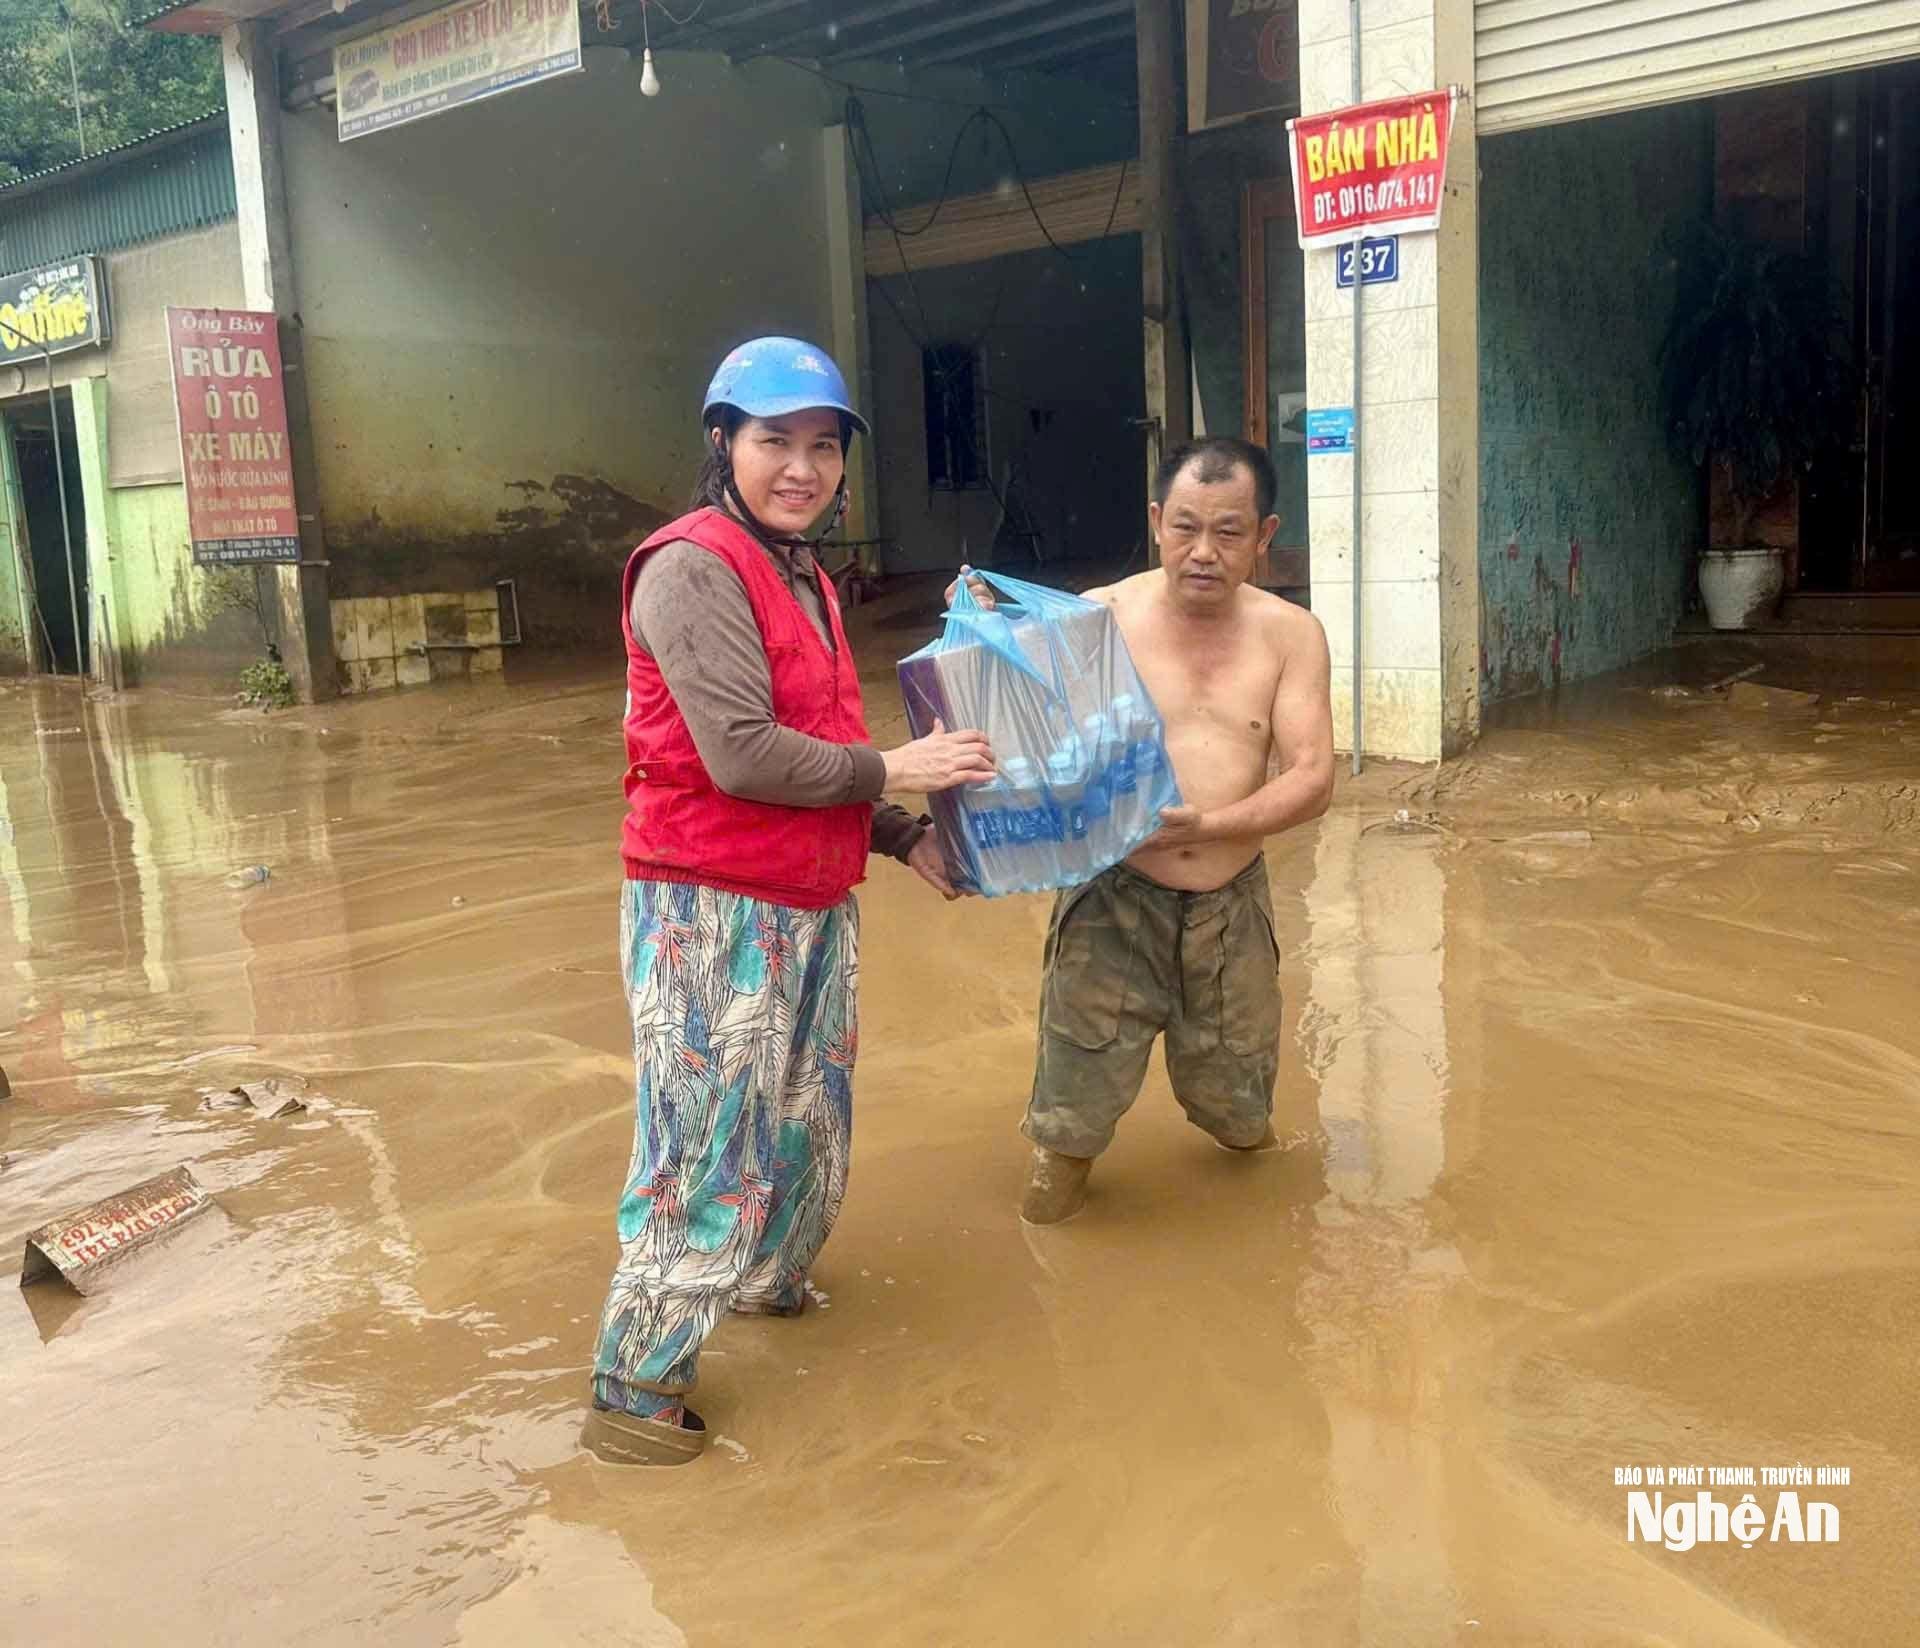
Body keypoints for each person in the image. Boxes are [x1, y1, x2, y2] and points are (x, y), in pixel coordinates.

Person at [587, 337, 994, 1466]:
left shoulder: (803, 572)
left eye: (823, 447)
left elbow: (818, 748)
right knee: (706, 1143)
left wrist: (904, 836)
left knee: (809, 1123)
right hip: (709, 905)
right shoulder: (690, 567)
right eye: (776, 442)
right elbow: (744, 756)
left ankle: (765, 1288)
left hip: (812, 901)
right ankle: (636, 1385)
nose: (801, 468)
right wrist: (901, 769)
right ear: (723, 444)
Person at [954, 436, 1335, 1225]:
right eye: (1185, 527)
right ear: (1158, 521)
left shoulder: (1291, 633)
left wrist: (1214, 823)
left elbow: (1312, 778)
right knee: (1067, 1134)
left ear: (1263, 536)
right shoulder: (1094, 619)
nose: (1203, 552)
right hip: (1112, 894)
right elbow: (1015, 744)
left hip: (1231, 908)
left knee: (1242, 1120)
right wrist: (986, 634)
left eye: (1229, 533)